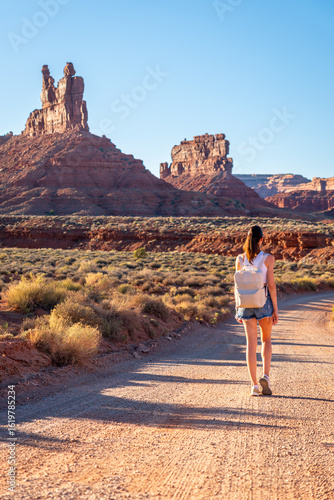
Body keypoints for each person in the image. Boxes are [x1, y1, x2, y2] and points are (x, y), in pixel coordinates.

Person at [235, 225, 279, 396]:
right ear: (261, 239)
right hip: (263, 303)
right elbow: (272, 286)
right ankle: (265, 377)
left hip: (245, 304)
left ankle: (254, 386)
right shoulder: (268, 258)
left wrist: (237, 307)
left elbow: (236, 286)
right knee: (266, 340)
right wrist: (275, 309)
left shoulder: (239, 259)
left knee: (250, 344)